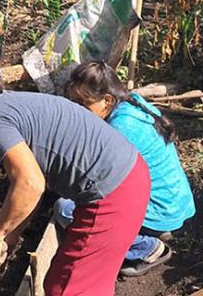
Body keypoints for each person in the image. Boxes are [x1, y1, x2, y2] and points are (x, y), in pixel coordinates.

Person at [0, 58, 150, 296]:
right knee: (85, 283)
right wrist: (12, 233)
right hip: (127, 177)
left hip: (113, 192)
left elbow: (30, 184)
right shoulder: (6, 103)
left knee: (66, 288)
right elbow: (37, 179)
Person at [59, 61, 195, 276]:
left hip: (159, 209)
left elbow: (99, 183)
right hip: (175, 203)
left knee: (66, 210)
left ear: (107, 100)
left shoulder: (121, 128)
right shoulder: (133, 103)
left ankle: (145, 248)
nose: (78, 111)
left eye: (83, 104)